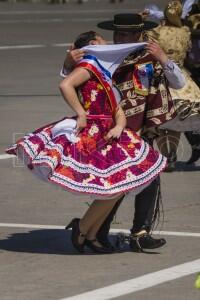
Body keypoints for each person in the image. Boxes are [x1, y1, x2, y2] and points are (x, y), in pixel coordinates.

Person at [6, 31, 167, 254]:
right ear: (93, 44)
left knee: (120, 187)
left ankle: (89, 233)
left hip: (111, 132)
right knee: (113, 188)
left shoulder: (103, 71)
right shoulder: (89, 65)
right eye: (101, 39)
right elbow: (66, 85)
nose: (105, 42)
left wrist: (120, 126)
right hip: (92, 132)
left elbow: (117, 109)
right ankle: (83, 230)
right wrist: (80, 113)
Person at [62, 14, 186, 252]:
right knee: (116, 182)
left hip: (143, 125)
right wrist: (68, 64)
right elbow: (73, 81)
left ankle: (140, 232)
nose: (122, 38)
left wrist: (164, 59)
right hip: (112, 130)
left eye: (128, 34)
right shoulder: (104, 57)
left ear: (139, 34)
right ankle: (95, 231)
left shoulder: (150, 56)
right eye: (118, 34)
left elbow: (179, 83)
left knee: (149, 178)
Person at [145, 1, 200, 167]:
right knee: (176, 122)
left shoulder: (157, 31)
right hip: (181, 76)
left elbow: (144, 41)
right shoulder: (184, 32)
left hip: (161, 74)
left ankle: (165, 156)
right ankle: (171, 154)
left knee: (162, 120)